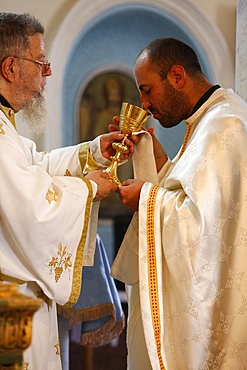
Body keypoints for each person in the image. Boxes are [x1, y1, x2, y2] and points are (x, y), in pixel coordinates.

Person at [0, 12, 135, 370]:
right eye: (40, 62)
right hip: (9, 308)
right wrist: (89, 188)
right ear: (10, 67)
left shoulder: (6, 128)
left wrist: (92, 152)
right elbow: (30, 206)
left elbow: (35, 166)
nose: (48, 73)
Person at [111, 37, 247, 369]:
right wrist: (157, 163)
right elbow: (193, 191)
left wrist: (144, 197)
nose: (143, 104)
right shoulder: (207, 120)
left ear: (176, 76)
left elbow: (204, 227)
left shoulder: (225, 126)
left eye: (147, 89)